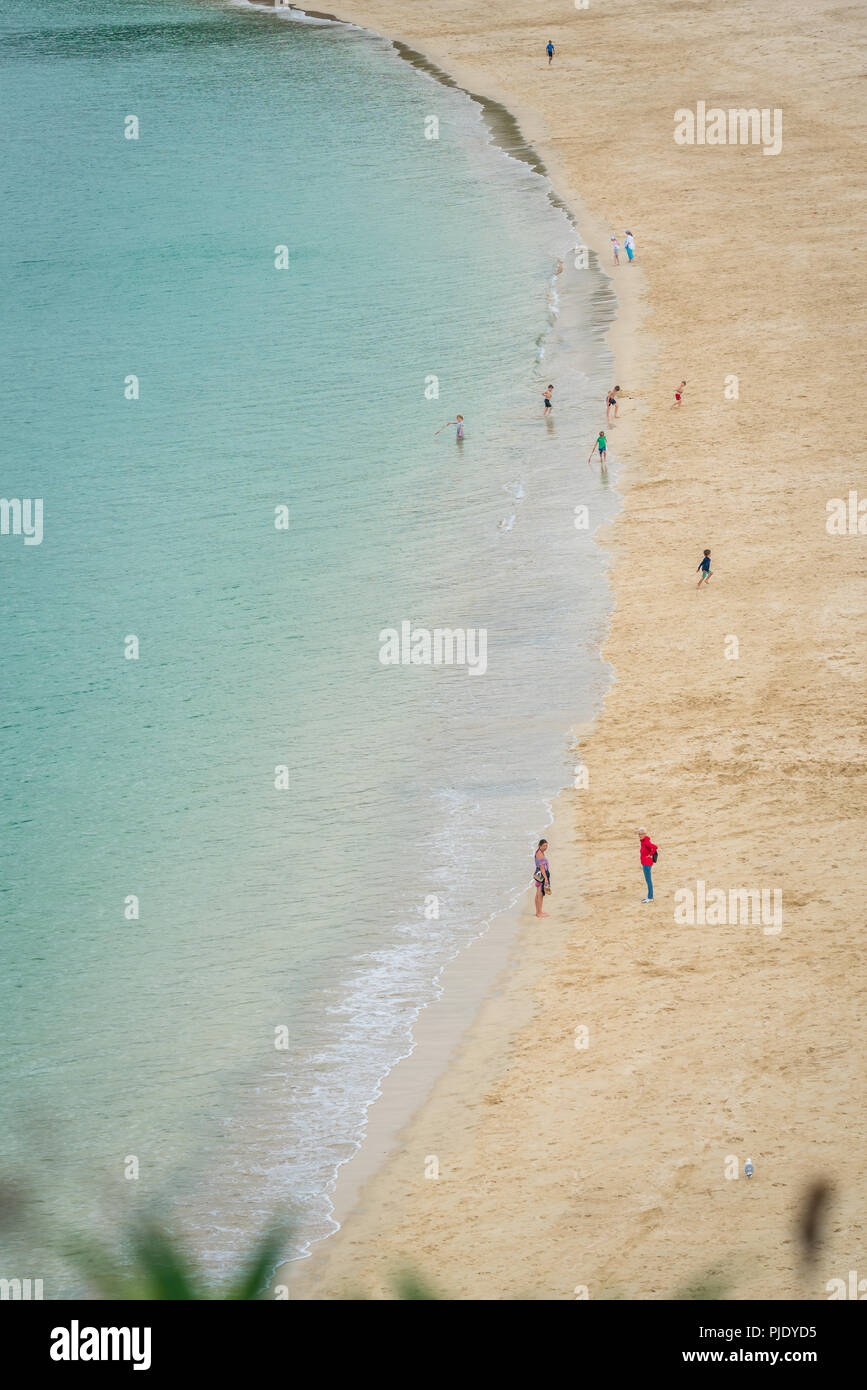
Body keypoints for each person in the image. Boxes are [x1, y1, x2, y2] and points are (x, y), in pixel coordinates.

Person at [638, 828, 657, 903]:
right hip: (645, 863)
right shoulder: (643, 842)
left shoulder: (646, 842)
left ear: (645, 834)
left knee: (648, 880)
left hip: (647, 864)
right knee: (648, 880)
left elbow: (655, 847)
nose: (640, 835)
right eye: (639, 834)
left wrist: (650, 855)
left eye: (641, 834)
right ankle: (650, 896)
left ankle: (650, 897)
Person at [534, 839, 551, 917]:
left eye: (546, 845)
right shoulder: (540, 854)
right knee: (540, 894)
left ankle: (538, 911)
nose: (545, 847)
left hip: (538, 874)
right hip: (541, 874)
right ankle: (539, 913)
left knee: (538, 893)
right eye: (544, 845)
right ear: (540, 846)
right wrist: (546, 879)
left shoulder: (539, 852)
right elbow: (542, 867)